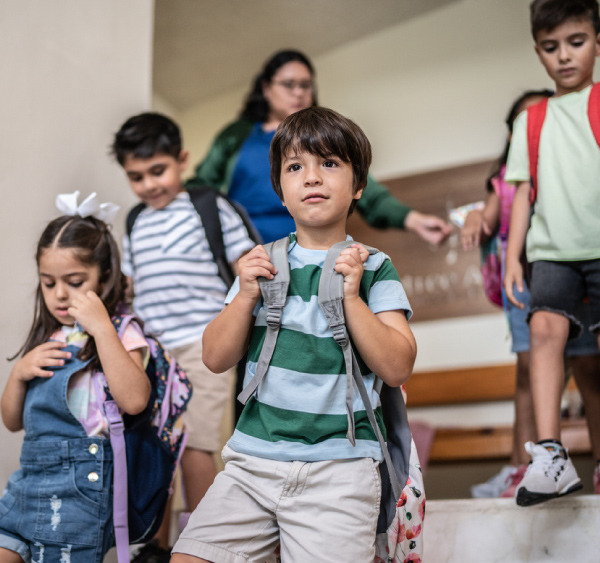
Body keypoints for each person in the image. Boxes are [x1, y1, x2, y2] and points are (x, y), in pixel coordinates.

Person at [169, 106, 416, 563]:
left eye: (329, 164)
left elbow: (397, 365)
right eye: (295, 167)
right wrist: (243, 296)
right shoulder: (262, 264)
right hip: (253, 460)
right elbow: (216, 358)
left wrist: (350, 298)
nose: (312, 178)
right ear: (280, 189)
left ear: (359, 184)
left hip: (341, 470)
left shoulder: (375, 268)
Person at [111, 113, 256, 563]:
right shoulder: (134, 221)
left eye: (159, 171)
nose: (149, 184)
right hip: (155, 353)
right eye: (137, 176)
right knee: (157, 446)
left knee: (197, 443)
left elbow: (246, 265)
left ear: (182, 160)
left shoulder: (208, 205)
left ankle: (211, 547)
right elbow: (132, 284)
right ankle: (155, 549)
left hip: (205, 342)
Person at [0, 194, 151, 563]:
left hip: (79, 487)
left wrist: (103, 330)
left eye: (75, 282)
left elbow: (135, 400)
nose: (60, 295)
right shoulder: (46, 337)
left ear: (104, 277)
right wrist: (18, 375)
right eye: (49, 283)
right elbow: (13, 421)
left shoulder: (122, 332)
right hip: (27, 480)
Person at [462, 89, 600, 498]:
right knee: (529, 367)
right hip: (528, 281)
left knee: (591, 369)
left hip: (574, 269)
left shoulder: (571, 163)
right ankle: (524, 466)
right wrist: (475, 219)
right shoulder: (505, 180)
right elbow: (491, 211)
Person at [186, 48, 451, 245]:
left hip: (312, 250)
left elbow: (366, 189)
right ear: (266, 88)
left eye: (305, 85)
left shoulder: (323, 137)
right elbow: (200, 188)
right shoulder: (235, 137)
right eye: (288, 85)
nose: (298, 92)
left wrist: (413, 220)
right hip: (244, 254)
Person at [504, 0, 600, 506]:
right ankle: (550, 455)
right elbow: (522, 192)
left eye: (576, 42)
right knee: (544, 330)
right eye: (550, 46)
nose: (564, 56)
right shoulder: (532, 118)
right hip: (552, 252)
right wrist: (514, 256)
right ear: (538, 51)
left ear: (597, 41)